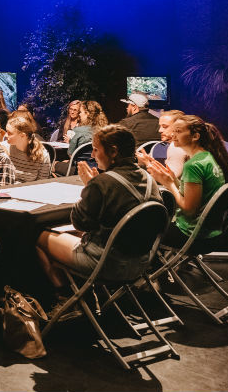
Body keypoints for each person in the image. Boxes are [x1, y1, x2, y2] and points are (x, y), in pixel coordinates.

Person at [35, 125, 162, 313]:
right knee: (71, 236)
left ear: (113, 152)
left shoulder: (103, 183)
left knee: (38, 235)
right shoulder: (148, 177)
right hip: (142, 261)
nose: (92, 155)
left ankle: (67, 299)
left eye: (95, 149)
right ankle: (82, 293)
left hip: (107, 263)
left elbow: (79, 222)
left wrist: (89, 186)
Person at [142, 115, 228, 249]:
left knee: (141, 225)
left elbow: (189, 210)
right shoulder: (207, 157)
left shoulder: (193, 165)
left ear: (195, 136)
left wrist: (168, 184)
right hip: (212, 233)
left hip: (192, 236)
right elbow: (192, 196)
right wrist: (171, 178)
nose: (173, 135)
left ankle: (153, 268)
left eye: (178, 131)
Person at [139, 109, 187, 177]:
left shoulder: (176, 147)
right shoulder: (183, 144)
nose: (160, 130)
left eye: (165, 127)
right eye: (160, 126)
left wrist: (147, 163)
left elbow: (171, 178)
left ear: (178, 128)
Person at [6, 115, 52, 182]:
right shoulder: (5, 148)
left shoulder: (42, 155)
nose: (6, 135)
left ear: (22, 135)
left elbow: (42, 183)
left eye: (9, 133)